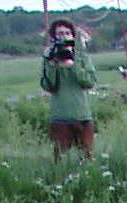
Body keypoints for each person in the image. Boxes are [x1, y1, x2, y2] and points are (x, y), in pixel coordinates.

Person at [39, 19, 98, 159]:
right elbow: (48, 86)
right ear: (54, 37)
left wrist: (72, 66)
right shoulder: (50, 58)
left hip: (82, 116)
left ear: (73, 36)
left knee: (86, 157)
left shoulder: (82, 57)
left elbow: (89, 82)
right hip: (60, 117)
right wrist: (52, 65)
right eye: (59, 33)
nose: (63, 36)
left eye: (67, 33)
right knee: (60, 159)